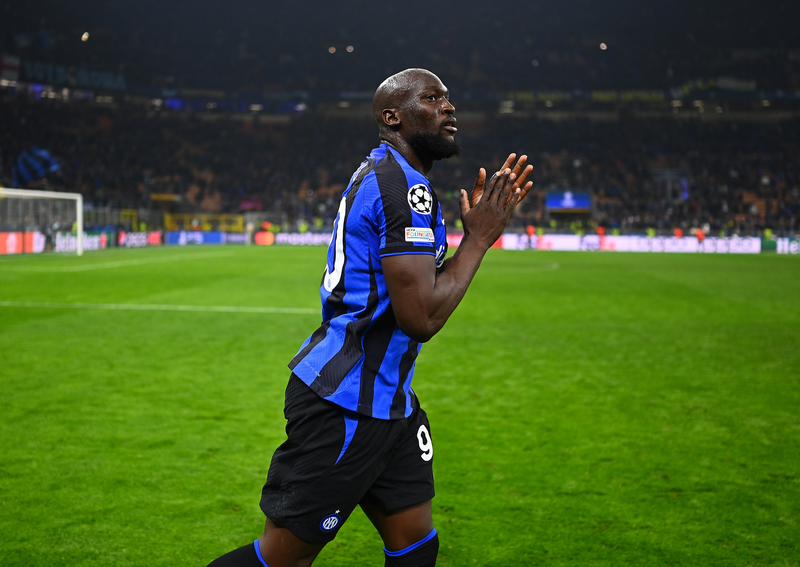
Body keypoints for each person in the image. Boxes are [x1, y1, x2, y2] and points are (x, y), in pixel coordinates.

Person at [206, 68, 533, 567]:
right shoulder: (401, 188)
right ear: (392, 116)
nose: (449, 107)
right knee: (283, 558)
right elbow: (420, 317)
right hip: (346, 406)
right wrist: (479, 240)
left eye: (448, 98)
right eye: (432, 98)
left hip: (390, 403)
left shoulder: (399, 178)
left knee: (416, 545)